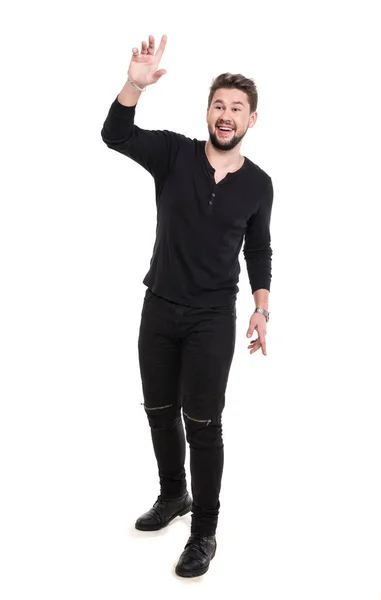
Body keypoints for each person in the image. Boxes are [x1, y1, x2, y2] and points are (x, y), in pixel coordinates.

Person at [101, 34, 274, 578]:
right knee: (158, 411)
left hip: (211, 319)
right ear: (207, 112)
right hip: (160, 307)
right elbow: (116, 134)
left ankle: (204, 532)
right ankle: (173, 495)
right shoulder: (174, 154)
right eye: (218, 106)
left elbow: (260, 249)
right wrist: (135, 82)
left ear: (251, 119)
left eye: (236, 109)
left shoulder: (259, 185)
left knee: (202, 422)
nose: (226, 116)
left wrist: (261, 308)